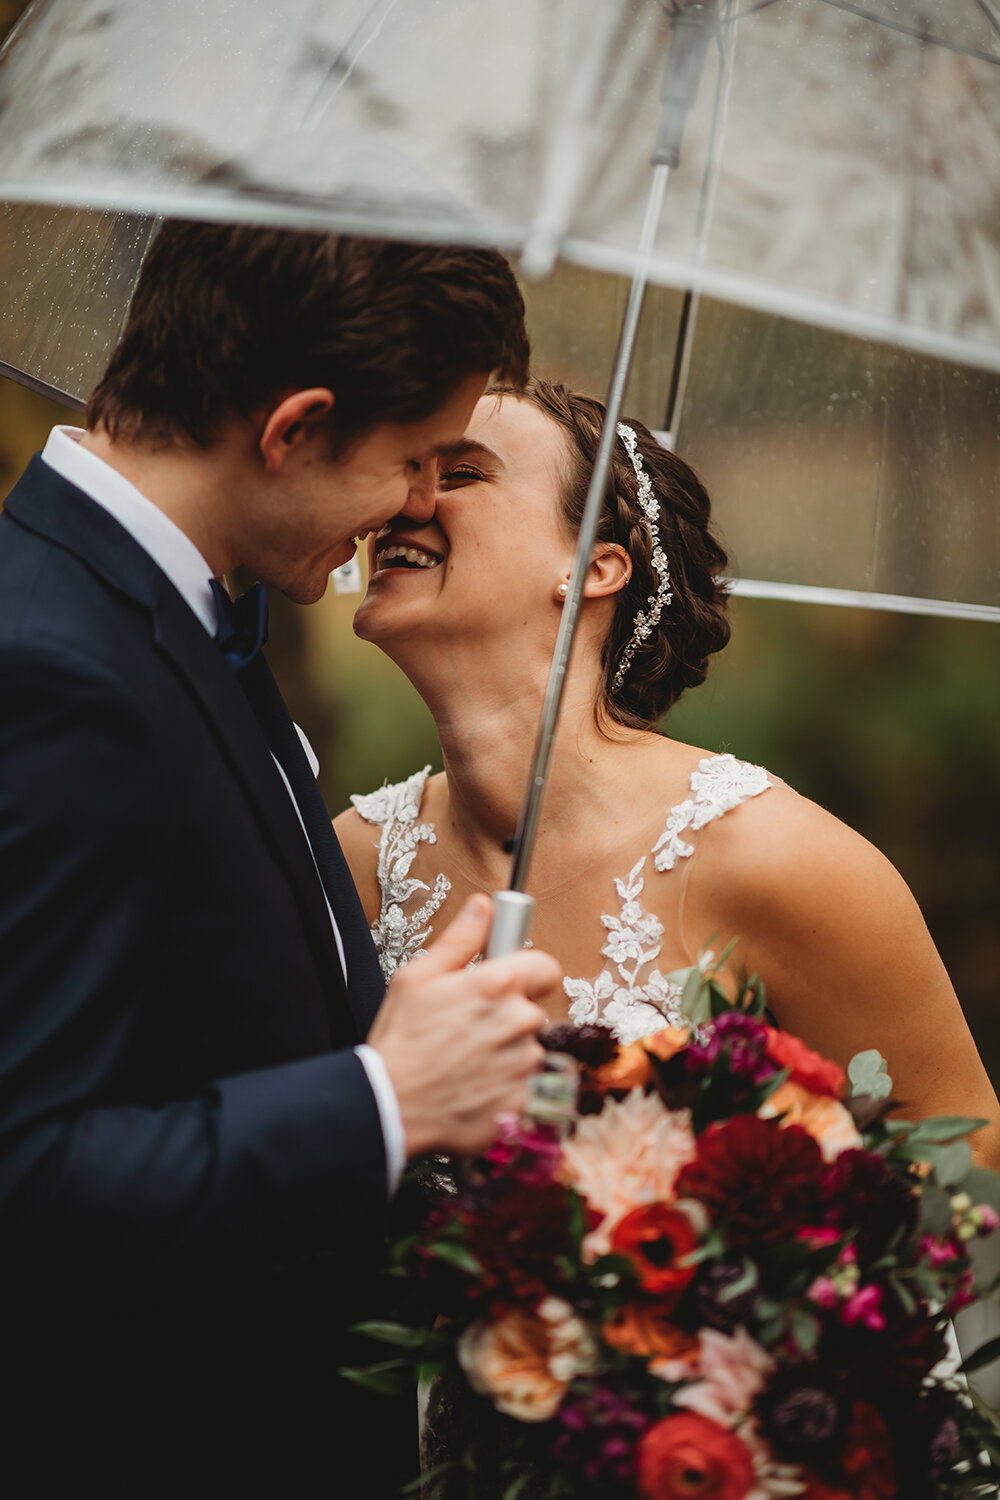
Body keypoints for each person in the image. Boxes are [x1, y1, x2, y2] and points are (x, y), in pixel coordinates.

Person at [0, 222, 562, 1500]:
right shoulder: (52, 669)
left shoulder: (177, 622)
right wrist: (381, 1098)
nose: (421, 506)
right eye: (416, 459)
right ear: (294, 425)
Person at [336, 378, 1000, 1171]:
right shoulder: (353, 861)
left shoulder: (778, 861)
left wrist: (704, 1278)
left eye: (462, 473)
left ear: (594, 569)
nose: (402, 500)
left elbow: (968, 1151)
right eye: (408, 468)